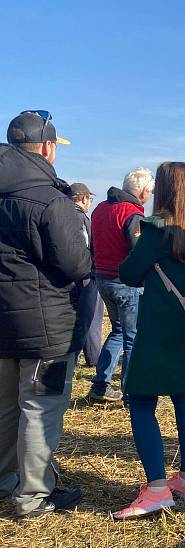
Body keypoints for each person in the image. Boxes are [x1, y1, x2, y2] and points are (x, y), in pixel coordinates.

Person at [112, 162, 185, 519]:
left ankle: (158, 487)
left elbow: (129, 273)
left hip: (160, 330)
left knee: (142, 402)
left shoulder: (158, 230)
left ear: (165, 190)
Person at [0, 110, 92, 518]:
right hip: (46, 327)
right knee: (40, 407)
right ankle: (33, 495)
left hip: (3, 324)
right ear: (48, 148)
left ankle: (6, 479)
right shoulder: (52, 201)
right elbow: (76, 265)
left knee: (5, 406)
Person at [90, 167, 154, 402]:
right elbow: (138, 252)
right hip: (126, 283)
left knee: (118, 331)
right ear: (144, 191)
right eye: (150, 191)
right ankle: (131, 391)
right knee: (133, 337)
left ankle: (100, 384)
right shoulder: (132, 214)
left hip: (102, 279)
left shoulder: (99, 210)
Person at [69, 183, 104, 367]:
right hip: (85, 275)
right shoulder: (82, 219)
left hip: (67, 277)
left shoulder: (62, 216)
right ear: (83, 198)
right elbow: (85, 248)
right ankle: (93, 357)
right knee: (90, 317)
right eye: (90, 199)